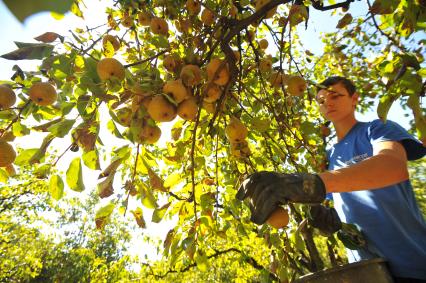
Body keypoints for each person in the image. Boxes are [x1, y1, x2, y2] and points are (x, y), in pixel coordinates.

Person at [236, 76, 426, 282]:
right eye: (321, 100)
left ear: (354, 98)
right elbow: (342, 201)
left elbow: (392, 166)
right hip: (369, 271)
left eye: (335, 95)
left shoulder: (376, 128)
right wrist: (330, 220)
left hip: (412, 263)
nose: (328, 102)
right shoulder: (329, 156)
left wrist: (312, 184)